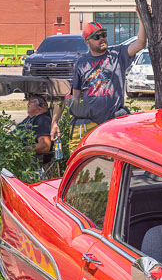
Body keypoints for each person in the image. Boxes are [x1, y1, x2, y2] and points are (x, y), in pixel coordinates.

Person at [52, 19, 146, 156]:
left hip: (111, 123)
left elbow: (140, 43)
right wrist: (55, 122)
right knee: (85, 165)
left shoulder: (117, 54)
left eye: (103, 34)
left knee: (113, 163)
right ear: (87, 41)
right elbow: (74, 96)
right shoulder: (81, 63)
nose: (102, 38)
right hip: (88, 124)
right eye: (97, 36)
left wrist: (141, 17)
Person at [17, 94, 55, 171]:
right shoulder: (31, 118)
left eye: (31, 102)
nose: (28, 104)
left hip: (30, 162)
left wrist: (21, 149)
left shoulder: (43, 119)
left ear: (40, 108)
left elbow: (45, 146)